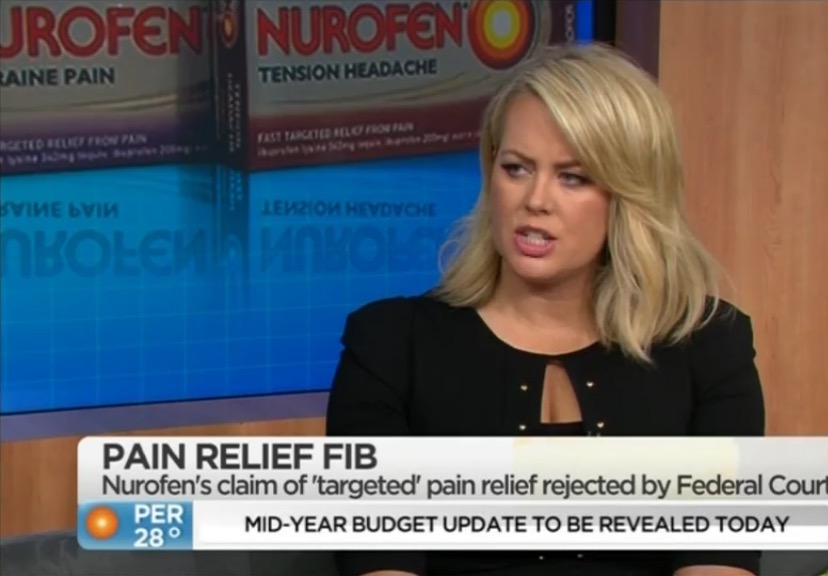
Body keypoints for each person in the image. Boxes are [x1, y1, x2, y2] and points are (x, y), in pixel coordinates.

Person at [326, 43, 765, 576]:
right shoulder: (390, 346)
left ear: (628, 196)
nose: (535, 200)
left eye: (572, 177)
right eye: (516, 168)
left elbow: (719, 559)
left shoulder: (708, 346)